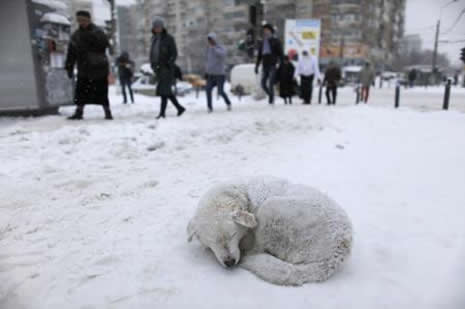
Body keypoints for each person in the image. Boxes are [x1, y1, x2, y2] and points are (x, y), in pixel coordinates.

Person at [65, 10, 113, 120]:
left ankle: (107, 111)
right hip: (84, 68)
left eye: (84, 20)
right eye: (79, 20)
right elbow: (71, 53)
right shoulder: (76, 35)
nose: (82, 22)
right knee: (81, 91)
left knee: (102, 91)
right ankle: (79, 111)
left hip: (98, 68)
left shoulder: (98, 32)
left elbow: (105, 45)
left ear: (89, 20)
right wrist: (69, 67)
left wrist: (91, 38)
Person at [150, 17, 185, 119]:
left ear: (162, 27)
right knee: (165, 91)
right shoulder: (154, 39)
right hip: (158, 68)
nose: (157, 29)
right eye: (156, 27)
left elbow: (174, 53)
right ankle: (179, 108)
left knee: (163, 91)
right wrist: (153, 65)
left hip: (166, 68)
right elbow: (152, 53)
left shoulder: (169, 38)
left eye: (159, 27)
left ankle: (162, 113)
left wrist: (169, 63)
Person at [255, 23, 283, 104]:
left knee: (271, 82)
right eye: (264, 30)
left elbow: (280, 53)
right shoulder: (262, 42)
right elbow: (259, 55)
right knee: (263, 83)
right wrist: (257, 66)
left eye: (267, 30)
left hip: (273, 64)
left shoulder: (276, 41)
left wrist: (281, 63)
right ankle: (271, 96)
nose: (265, 32)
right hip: (265, 65)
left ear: (271, 31)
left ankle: (271, 101)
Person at [205, 32, 232, 113]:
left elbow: (222, 55)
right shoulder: (209, 49)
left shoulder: (220, 47)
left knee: (220, 91)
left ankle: (228, 103)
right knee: (208, 89)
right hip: (211, 75)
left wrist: (214, 48)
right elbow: (209, 61)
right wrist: (206, 71)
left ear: (215, 39)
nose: (210, 42)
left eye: (211, 40)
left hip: (220, 74)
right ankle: (209, 107)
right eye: (209, 40)